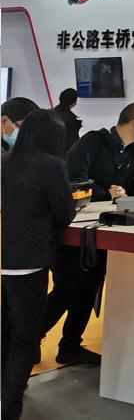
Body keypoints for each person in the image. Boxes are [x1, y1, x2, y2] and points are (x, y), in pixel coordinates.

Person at [45, 102, 134, 368]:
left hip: (101, 231)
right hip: (72, 231)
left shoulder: (130, 152)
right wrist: (107, 192)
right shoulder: (92, 142)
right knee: (66, 290)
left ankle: (70, 345)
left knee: (89, 288)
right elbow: (73, 182)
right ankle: (24, 343)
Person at [2, 110, 76, 419]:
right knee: (25, 340)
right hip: (29, 263)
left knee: (6, 332)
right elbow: (65, 214)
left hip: (5, 258)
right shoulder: (52, 166)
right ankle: (9, 408)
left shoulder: (5, 162)